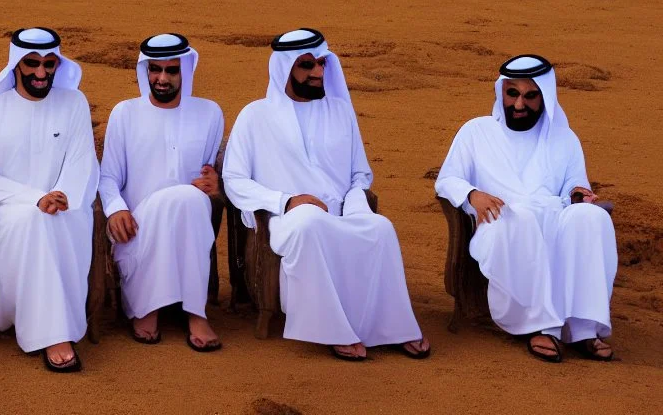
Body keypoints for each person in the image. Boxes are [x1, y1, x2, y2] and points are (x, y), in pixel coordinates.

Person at [223, 28, 430, 361]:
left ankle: (396, 328)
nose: (318, 72)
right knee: (309, 223)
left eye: (321, 63)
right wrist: (286, 201)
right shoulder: (254, 116)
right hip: (287, 218)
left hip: (342, 212)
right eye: (307, 65)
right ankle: (333, 331)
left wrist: (357, 206)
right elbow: (233, 179)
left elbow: (359, 174)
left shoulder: (339, 110)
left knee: (381, 229)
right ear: (285, 69)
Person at [435, 54, 617, 362]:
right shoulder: (476, 131)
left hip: (552, 216)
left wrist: (578, 194)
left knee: (591, 218)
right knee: (522, 220)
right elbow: (447, 178)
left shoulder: (563, 138)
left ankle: (584, 328)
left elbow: (575, 183)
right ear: (501, 92)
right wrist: (473, 194)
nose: (519, 104)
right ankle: (541, 326)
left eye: (531, 96)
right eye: (513, 94)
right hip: (503, 220)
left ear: (545, 96)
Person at [0, 27, 98, 372]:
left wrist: (61, 197)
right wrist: (35, 198)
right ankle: (55, 334)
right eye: (32, 64)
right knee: (34, 220)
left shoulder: (74, 103)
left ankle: (53, 328)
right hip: (9, 211)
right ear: (16, 65)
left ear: (57, 64)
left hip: (69, 206)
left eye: (49, 64)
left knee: (50, 220)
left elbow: (82, 161)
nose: (41, 73)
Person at [99, 33, 224, 352]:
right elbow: (108, 176)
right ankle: (148, 305)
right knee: (186, 198)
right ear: (145, 71)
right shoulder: (124, 113)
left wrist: (215, 186)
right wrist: (115, 209)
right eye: (155, 69)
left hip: (189, 226)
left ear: (185, 71)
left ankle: (195, 311)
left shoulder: (210, 113)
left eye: (172, 70)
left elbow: (210, 178)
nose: (162, 78)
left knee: (190, 199)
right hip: (137, 229)